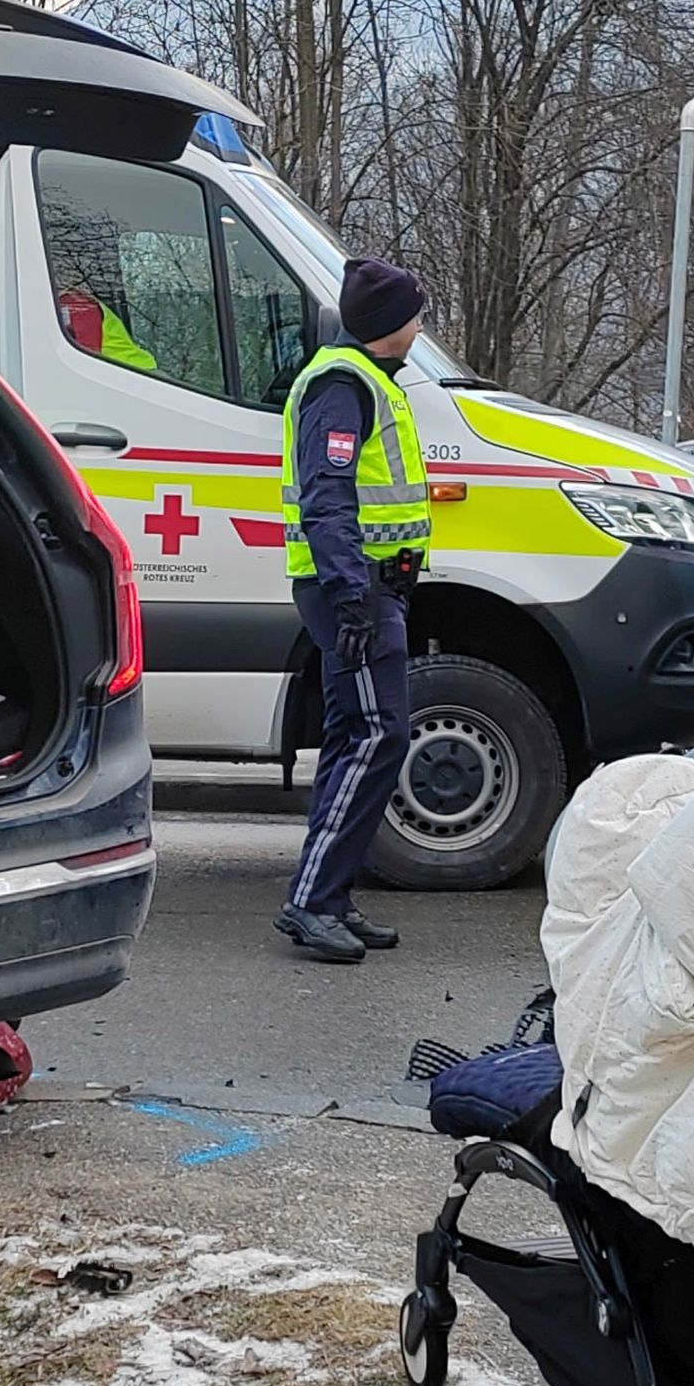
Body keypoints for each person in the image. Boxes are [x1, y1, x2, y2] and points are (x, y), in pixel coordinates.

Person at [275, 256, 434, 965]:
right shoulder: (342, 385)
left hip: (365, 585)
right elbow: (327, 499)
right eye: (413, 312)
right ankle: (312, 900)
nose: (420, 323)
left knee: (354, 737)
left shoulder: (365, 381)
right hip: (351, 588)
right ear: (387, 325)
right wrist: (352, 595)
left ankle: (328, 897)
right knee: (378, 735)